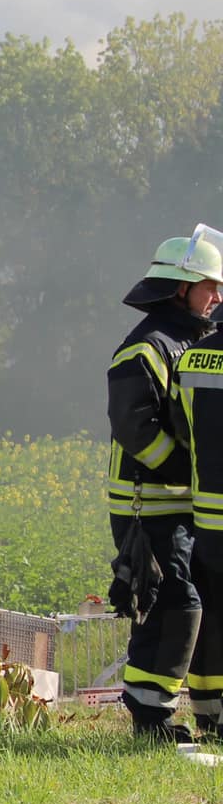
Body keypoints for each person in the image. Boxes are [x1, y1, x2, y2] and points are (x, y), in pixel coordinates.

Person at [109, 231, 222, 741]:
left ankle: (208, 711)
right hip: (148, 505)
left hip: (184, 505)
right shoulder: (146, 347)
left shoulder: (192, 343)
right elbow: (137, 429)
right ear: (181, 289)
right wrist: (188, 470)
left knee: (198, 601)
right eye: (209, 287)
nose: (217, 297)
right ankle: (149, 716)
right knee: (173, 602)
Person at [178, 302, 223, 733]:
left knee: (211, 614)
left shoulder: (193, 357)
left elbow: (178, 424)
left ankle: (209, 714)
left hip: (206, 518)